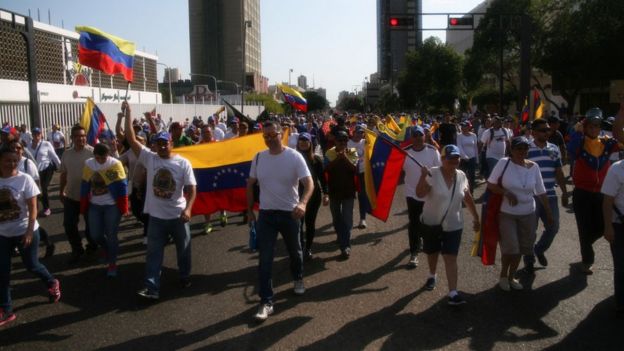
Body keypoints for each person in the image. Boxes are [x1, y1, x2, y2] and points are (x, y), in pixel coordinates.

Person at [123, 101, 197, 300]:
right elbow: (130, 138)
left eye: (166, 143)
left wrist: (188, 209)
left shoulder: (183, 163)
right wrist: (128, 113)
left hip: (178, 217)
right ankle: (152, 288)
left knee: (184, 251)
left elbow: (192, 188)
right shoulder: (150, 158)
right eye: (159, 143)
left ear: (171, 144)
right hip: (156, 218)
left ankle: (184, 275)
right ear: (155, 145)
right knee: (153, 254)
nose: (163, 146)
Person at [246, 121, 313, 321]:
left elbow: (308, 183)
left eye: (272, 135)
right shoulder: (258, 158)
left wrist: (303, 203)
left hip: (290, 214)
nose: (269, 139)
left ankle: (298, 277)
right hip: (266, 215)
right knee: (265, 259)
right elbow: (250, 184)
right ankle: (266, 301)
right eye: (265, 136)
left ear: (280, 134)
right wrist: (249, 210)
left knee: (295, 251)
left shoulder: (294, 156)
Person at [0, 147, 61, 327]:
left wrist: (28, 231)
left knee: (31, 265)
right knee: (2, 271)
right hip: (2, 233)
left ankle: (51, 281)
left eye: (14, 160)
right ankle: (6, 309)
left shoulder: (24, 179)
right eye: (7, 160)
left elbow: (33, 208)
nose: (11, 163)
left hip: (25, 230)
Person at [416, 144, 480, 305]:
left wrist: (476, 218)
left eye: (456, 157)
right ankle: (432, 274)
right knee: (432, 252)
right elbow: (420, 193)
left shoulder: (461, 176)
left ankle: (453, 293)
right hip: (432, 222)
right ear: (442, 159)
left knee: (450, 257)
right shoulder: (433, 173)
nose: (454, 160)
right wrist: (422, 177)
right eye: (450, 158)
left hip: (454, 223)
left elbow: (467, 197)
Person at [487, 137, 552, 291]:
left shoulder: (534, 167)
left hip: (528, 213)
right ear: (512, 150)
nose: (522, 152)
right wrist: (506, 193)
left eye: (525, 148)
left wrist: (549, 213)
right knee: (511, 248)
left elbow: (541, 191)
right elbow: (490, 184)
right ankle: (503, 275)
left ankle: (511, 277)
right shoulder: (504, 163)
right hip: (506, 213)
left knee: (522, 248)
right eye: (518, 148)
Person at [568, 108, 620, 274]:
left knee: (603, 226)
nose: (593, 129)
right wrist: (578, 131)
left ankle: (586, 243)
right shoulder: (580, 141)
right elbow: (572, 151)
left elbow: (620, 138)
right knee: (584, 228)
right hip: (582, 193)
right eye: (590, 126)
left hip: (601, 193)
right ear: (585, 126)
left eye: (597, 126)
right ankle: (587, 260)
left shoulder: (606, 142)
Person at [523, 119, 569, 273]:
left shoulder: (554, 149)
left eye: (548, 129)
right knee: (530, 230)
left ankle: (539, 249)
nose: (546, 132)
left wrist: (564, 191)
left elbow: (559, 172)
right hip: (531, 197)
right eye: (543, 130)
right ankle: (528, 260)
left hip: (550, 195)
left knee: (553, 226)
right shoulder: (526, 148)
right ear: (534, 132)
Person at [80, 143, 129, 277]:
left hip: (111, 205)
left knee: (111, 233)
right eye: (98, 158)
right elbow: (85, 184)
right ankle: (106, 248)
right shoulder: (89, 164)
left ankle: (112, 262)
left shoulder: (114, 164)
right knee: (95, 235)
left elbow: (122, 187)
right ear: (94, 155)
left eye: (104, 158)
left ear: (108, 155)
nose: (101, 161)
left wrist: (124, 207)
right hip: (95, 205)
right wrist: (83, 203)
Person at [402, 126, 441, 268]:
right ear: (411, 137)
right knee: (413, 222)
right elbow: (395, 171)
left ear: (424, 136)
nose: (418, 138)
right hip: (411, 192)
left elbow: (439, 171)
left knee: (428, 222)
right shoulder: (405, 153)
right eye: (415, 135)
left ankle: (427, 243)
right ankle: (414, 252)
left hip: (429, 192)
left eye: (420, 135)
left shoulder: (432, 151)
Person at [8, 140, 55, 258]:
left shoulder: (27, 164)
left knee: (32, 224)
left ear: (23, 150)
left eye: (18, 148)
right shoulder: (8, 163)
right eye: (13, 148)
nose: (15, 150)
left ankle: (48, 243)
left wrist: (35, 202)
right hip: (13, 202)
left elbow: (36, 182)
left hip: (28, 200)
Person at [60, 125, 97, 264]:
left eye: (83, 135)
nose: (80, 138)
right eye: (77, 136)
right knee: (69, 225)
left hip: (90, 197)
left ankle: (92, 248)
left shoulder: (93, 153)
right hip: (71, 196)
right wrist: (61, 191)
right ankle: (77, 249)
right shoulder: (66, 154)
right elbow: (64, 174)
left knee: (91, 227)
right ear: (72, 138)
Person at [324, 130, 358, 259]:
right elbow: (326, 169)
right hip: (334, 191)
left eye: (345, 140)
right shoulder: (329, 152)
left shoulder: (352, 152)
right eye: (340, 140)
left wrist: (345, 158)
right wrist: (338, 158)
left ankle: (345, 246)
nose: (343, 143)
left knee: (347, 219)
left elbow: (354, 169)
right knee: (337, 218)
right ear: (335, 141)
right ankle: (341, 236)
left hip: (349, 191)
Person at [296, 132, 327, 260]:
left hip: (314, 198)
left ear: (310, 143)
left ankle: (307, 248)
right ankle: (299, 248)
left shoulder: (316, 160)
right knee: (298, 225)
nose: (303, 142)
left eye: (306, 140)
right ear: (297, 143)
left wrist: (326, 194)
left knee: (310, 224)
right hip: (297, 197)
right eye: (301, 140)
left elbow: (323, 179)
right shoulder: (293, 159)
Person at [601, 158, 624, 317]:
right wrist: (608, 227)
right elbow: (607, 200)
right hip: (619, 224)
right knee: (621, 264)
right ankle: (621, 302)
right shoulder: (616, 169)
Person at [27, 128, 61, 217]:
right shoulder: (29, 145)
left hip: (47, 168)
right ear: (32, 135)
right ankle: (35, 209)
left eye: (38, 134)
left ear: (41, 134)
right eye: (34, 134)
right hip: (35, 171)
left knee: (44, 187)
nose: (36, 135)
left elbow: (54, 156)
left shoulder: (46, 144)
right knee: (36, 190)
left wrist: (61, 167)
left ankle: (47, 208)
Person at [347, 125, 367, 228]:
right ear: (353, 133)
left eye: (361, 133)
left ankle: (362, 219)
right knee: (349, 196)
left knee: (362, 196)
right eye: (357, 132)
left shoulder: (365, 142)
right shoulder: (348, 143)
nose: (359, 134)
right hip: (351, 174)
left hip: (363, 173)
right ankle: (347, 219)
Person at [457, 121, 478, 194]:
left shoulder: (474, 135)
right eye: (462, 126)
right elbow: (459, 146)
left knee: (472, 176)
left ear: (469, 127)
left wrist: (477, 159)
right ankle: (461, 191)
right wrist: (465, 156)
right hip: (463, 159)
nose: (463, 128)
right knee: (462, 176)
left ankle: (471, 192)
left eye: (465, 126)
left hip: (472, 158)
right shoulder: (459, 136)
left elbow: (475, 147)